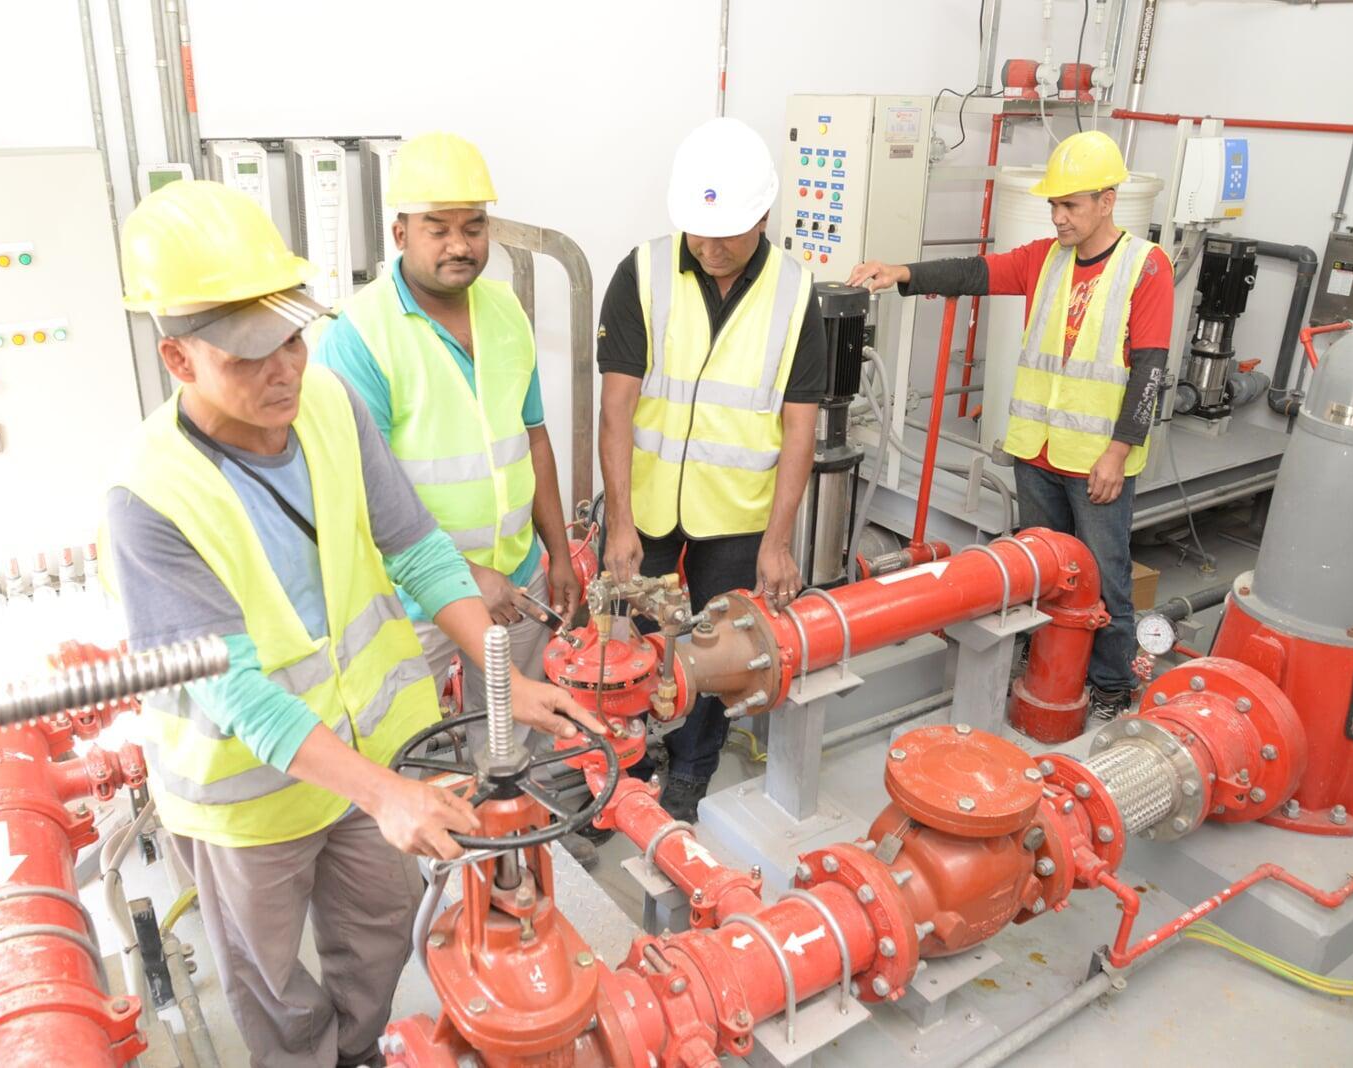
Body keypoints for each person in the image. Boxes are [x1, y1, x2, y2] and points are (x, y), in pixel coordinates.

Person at [103, 179, 602, 1068]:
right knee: (269, 976)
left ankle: (359, 1048)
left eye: (291, 339)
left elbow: (417, 548)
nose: (283, 371)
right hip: (248, 797)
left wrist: (510, 682)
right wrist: (385, 794)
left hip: (376, 750)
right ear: (179, 358)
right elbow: (238, 696)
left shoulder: (331, 404)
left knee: (380, 930)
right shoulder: (150, 498)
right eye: (248, 356)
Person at [312, 132, 597, 867]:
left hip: (518, 575)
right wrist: (466, 577)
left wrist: (558, 554)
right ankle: (423, 870)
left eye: (473, 226)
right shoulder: (359, 337)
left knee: (507, 734)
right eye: (437, 228)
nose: (459, 245)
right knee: (399, 742)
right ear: (400, 233)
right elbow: (359, 496)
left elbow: (534, 438)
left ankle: (503, 852)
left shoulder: (505, 312)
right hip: (413, 602)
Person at [848, 130, 1170, 723]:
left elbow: (1150, 368)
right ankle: (1045, 665)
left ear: (1107, 202)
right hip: (1036, 451)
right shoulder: (1045, 259)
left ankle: (1110, 683)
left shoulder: (1145, 267)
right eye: (1053, 204)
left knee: (1105, 577)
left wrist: (1118, 452)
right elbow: (975, 273)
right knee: (1041, 572)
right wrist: (900, 272)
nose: (1058, 216)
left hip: (1096, 460)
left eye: (1070, 204)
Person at [596, 117, 826, 822]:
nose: (710, 246)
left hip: (738, 512)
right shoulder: (643, 272)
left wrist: (778, 541)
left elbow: (800, 426)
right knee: (627, 642)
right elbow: (616, 405)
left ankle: (691, 770)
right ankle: (625, 769)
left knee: (717, 649)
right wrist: (619, 521)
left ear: (764, 215)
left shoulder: (795, 292)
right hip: (646, 507)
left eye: (727, 232)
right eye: (699, 231)